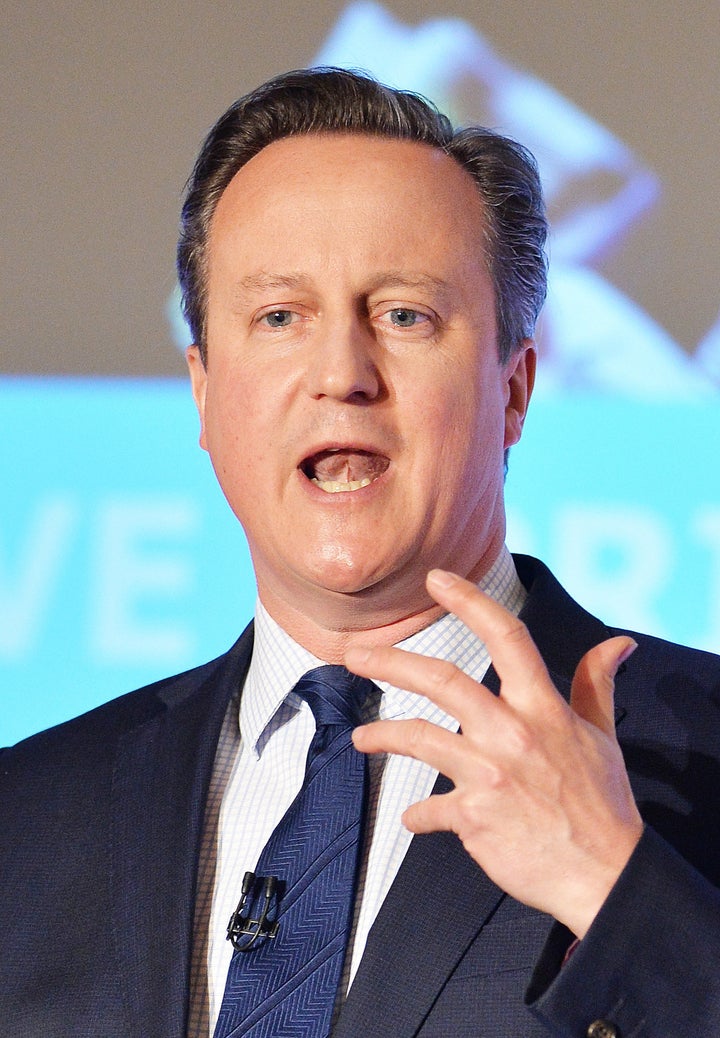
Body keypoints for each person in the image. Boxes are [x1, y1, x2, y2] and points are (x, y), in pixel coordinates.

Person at [2, 67, 720, 1038]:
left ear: (513, 391)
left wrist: (613, 887)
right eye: (280, 318)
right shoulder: (31, 817)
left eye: (405, 316)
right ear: (204, 393)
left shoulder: (697, 756)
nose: (342, 375)